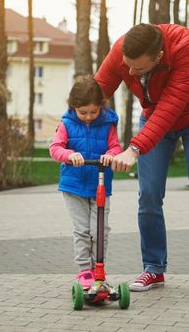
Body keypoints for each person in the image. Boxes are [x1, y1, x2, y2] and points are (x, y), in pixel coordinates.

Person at [94, 23, 189, 302]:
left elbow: (171, 105)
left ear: (158, 56)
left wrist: (134, 149)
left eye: (138, 69)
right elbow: (95, 91)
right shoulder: (122, 49)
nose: (130, 73)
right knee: (149, 195)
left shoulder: (187, 46)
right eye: (127, 67)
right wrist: (68, 127)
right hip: (154, 118)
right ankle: (154, 268)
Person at [49, 75, 123, 289]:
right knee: (82, 230)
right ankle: (85, 272)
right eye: (83, 112)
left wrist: (111, 154)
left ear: (101, 106)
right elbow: (55, 149)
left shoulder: (108, 124)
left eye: (93, 111)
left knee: (100, 231)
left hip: (101, 185)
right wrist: (69, 155)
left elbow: (115, 147)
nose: (88, 117)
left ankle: (99, 269)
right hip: (74, 187)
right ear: (74, 108)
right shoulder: (67, 124)